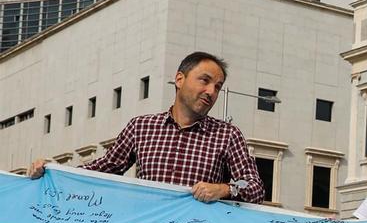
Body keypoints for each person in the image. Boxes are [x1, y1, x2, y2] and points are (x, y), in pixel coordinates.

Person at [29, 51, 264, 204]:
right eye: (205, 81)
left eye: (218, 87)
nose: (211, 92)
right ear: (180, 79)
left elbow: (254, 187)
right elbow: (102, 169)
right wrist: (52, 170)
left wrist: (222, 189)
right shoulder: (141, 127)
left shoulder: (227, 135)